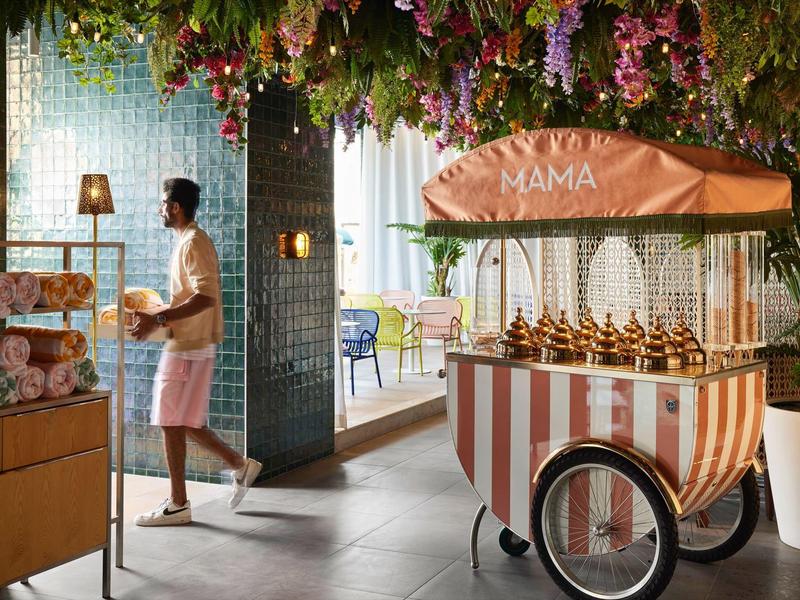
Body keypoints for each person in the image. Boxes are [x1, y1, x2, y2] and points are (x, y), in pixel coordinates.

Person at [131, 177, 261, 526]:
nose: (159, 209)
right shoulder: (190, 240)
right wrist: (157, 315)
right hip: (193, 344)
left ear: (175, 207)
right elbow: (193, 296)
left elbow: (206, 297)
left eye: (162, 203)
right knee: (185, 421)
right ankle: (239, 465)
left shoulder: (193, 242)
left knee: (169, 420)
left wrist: (159, 317)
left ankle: (178, 504)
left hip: (188, 347)